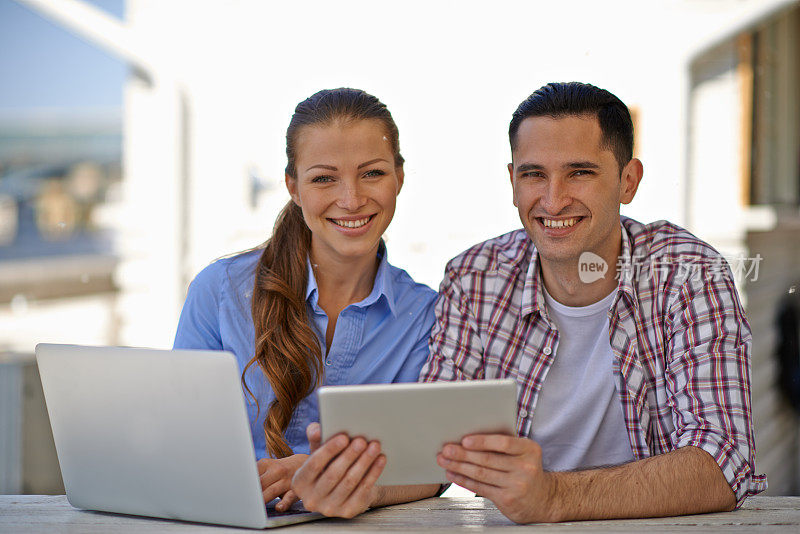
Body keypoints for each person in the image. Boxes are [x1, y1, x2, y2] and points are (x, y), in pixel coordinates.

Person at [421, 82, 766, 523]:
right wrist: (342, 483)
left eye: (579, 172)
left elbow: (724, 461)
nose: (553, 199)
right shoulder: (474, 277)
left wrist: (554, 497)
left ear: (628, 181)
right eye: (533, 174)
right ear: (512, 181)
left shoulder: (689, 273)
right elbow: (432, 449)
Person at [173, 88, 440, 516]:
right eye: (324, 178)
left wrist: (343, 483)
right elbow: (181, 439)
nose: (351, 199)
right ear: (293, 187)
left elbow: (432, 464)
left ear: (399, 178)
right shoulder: (220, 291)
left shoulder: (426, 316)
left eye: (372, 173)